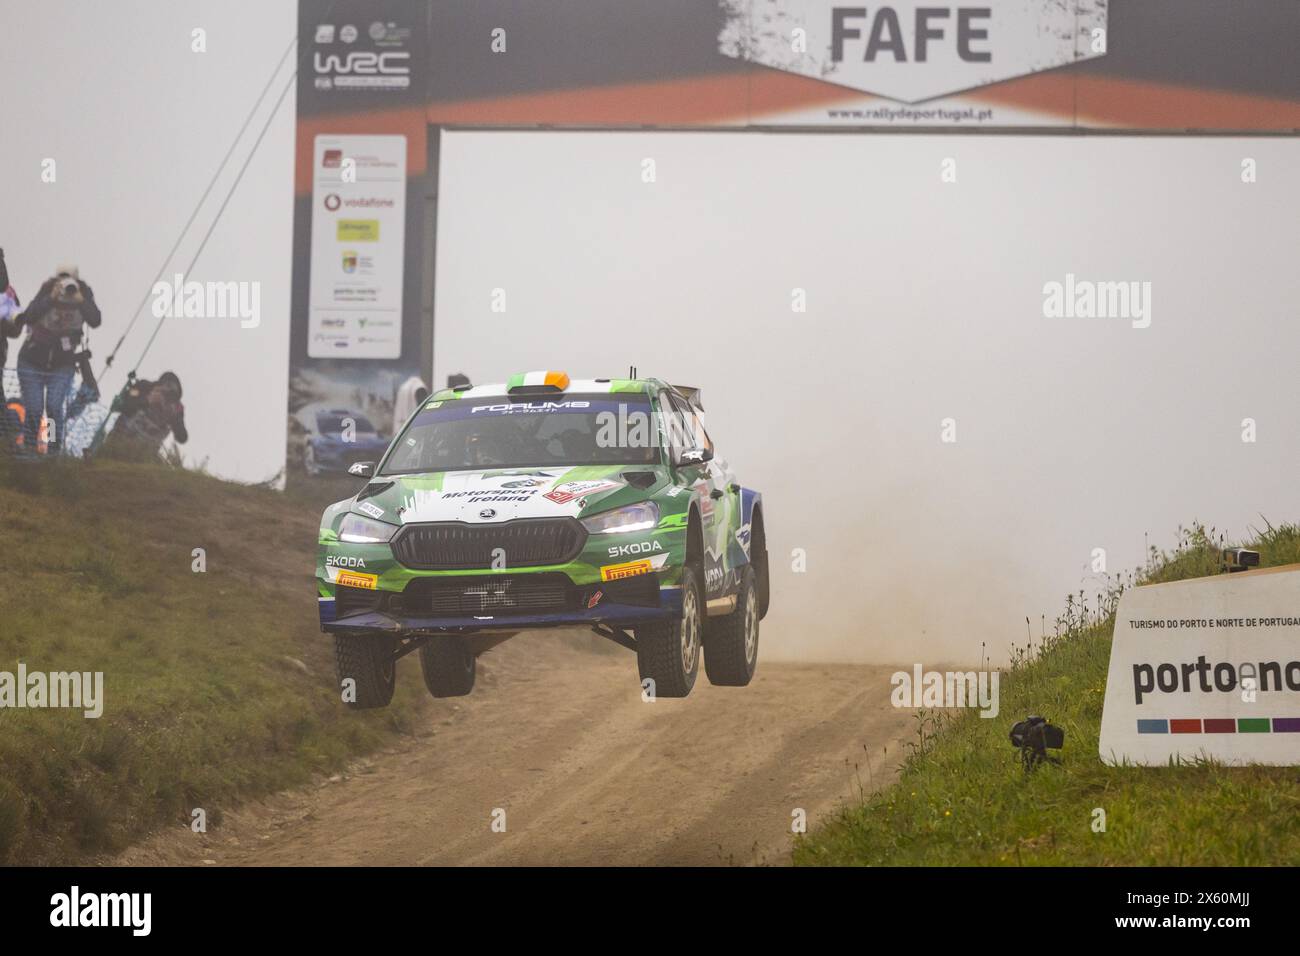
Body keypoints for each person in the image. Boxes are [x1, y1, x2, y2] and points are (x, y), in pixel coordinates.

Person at [12, 264, 101, 455]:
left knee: (53, 407)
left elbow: (95, 320)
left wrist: (81, 301)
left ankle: (52, 449)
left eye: (69, 279)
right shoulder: (48, 289)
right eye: (61, 278)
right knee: (34, 409)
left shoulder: (83, 293)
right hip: (32, 360)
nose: (65, 283)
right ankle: (29, 446)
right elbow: (28, 316)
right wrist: (50, 299)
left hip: (63, 364)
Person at [100, 371, 187, 461]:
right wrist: (147, 400)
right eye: (164, 392)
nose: (165, 398)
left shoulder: (176, 409)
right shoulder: (144, 387)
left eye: (170, 397)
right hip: (120, 440)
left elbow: (182, 437)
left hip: (143, 453)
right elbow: (124, 403)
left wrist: (175, 420)